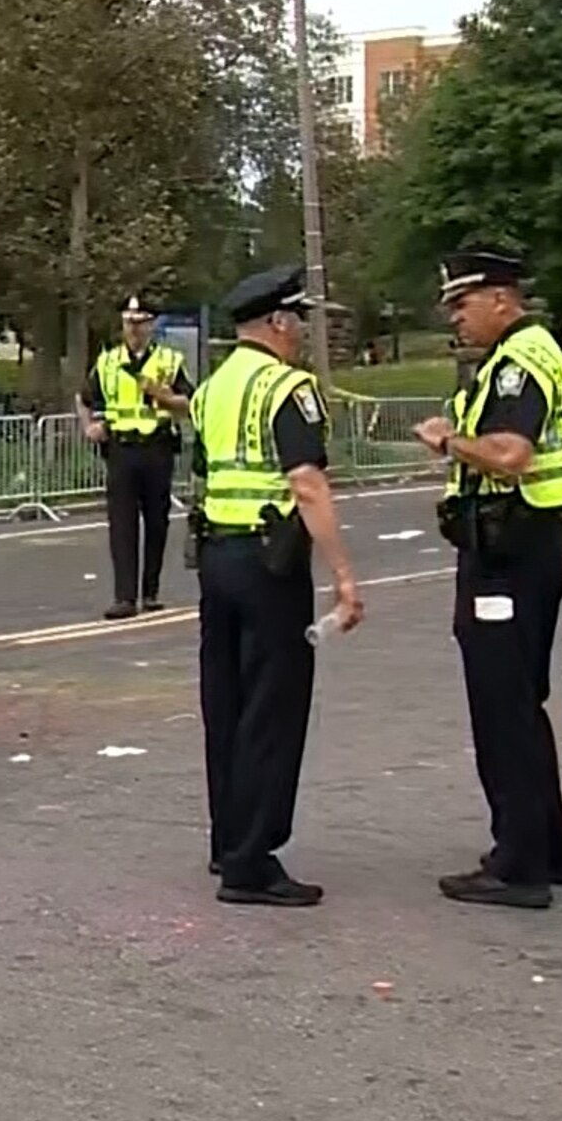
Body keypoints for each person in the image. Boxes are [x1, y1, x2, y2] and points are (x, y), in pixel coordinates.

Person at [414, 249, 562, 910]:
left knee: (503, 709)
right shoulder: (522, 356)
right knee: (520, 702)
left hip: (510, 549)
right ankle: (554, 848)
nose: (456, 320)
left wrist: (446, 441)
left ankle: (519, 863)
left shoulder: (521, 364)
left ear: (500, 299)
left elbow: (509, 454)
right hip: (522, 542)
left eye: (462, 306)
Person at [191, 264, 363, 907]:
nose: (301, 336)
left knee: (227, 704)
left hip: (218, 557)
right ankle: (252, 860)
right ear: (280, 323)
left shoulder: (211, 389)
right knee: (272, 708)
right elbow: (307, 482)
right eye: (299, 324)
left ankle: (226, 839)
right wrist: (344, 576)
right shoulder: (290, 389)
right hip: (271, 565)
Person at [78, 294, 190, 619]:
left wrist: (163, 395)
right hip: (121, 449)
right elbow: (83, 397)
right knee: (122, 523)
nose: (134, 328)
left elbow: (189, 402)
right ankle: (124, 597)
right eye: (129, 322)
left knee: (157, 521)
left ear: (152, 324)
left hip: (157, 446)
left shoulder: (169, 361)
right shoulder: (109, 361)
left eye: (140, 322)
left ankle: (150, 591)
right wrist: (90, 426)